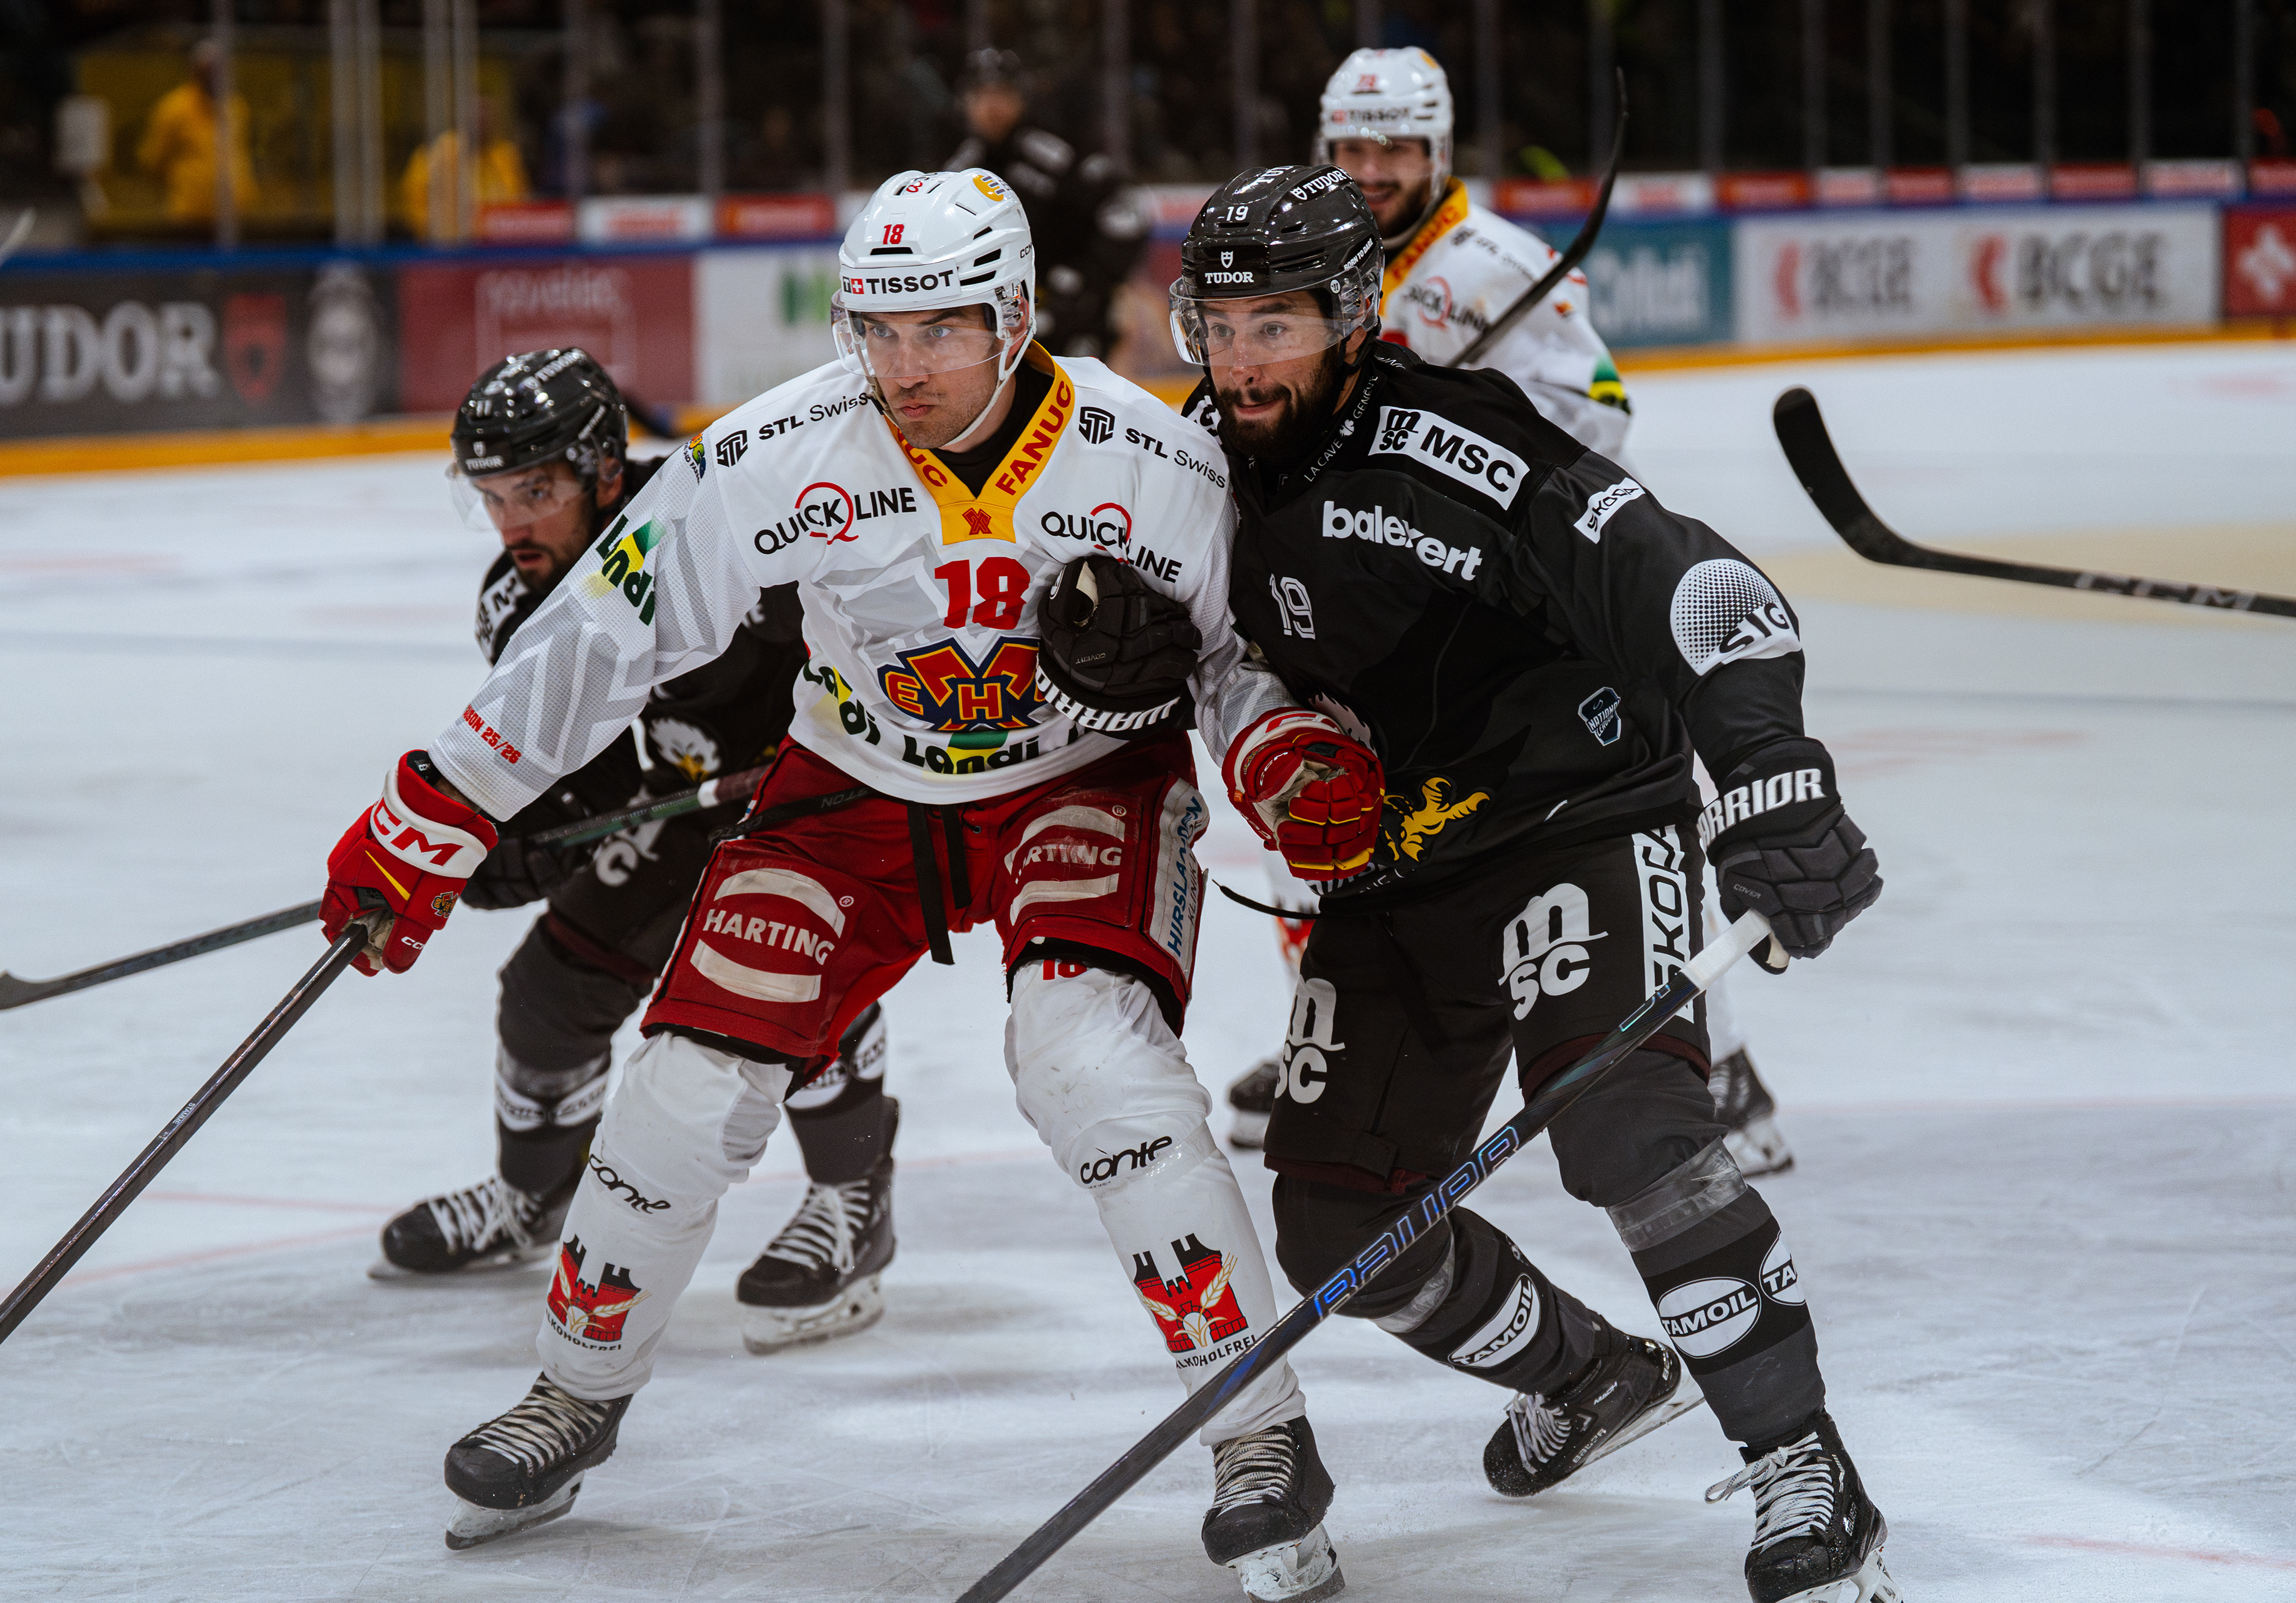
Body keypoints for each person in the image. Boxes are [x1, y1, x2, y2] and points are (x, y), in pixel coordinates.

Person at [311, 169, 1345, 1603]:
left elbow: (1236, 656)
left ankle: (1258, 1430)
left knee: (1091, 1060)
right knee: (684, 1084)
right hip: (854, 781)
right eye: (878, 331)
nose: (904, 368)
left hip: (1083, 777)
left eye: (940, 332)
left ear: (1014, 316)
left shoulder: (1147, 456)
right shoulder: (779, 446)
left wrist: (1282, 747)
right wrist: (435, 805)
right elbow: (607, 626)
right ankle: (573, 1390)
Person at [1171, 167, 1898, 1603]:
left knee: (1629, 1125)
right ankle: (1587, 1374)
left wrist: (1772, 770)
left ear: (1351, 316)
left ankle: (1805, 1465)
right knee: (1336, 1221)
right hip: (1395, 872)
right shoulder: (1187, 469)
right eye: (1222, 325)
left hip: (1578, 816)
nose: (1242, 360)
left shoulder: (1462, 440)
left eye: (1277, 325)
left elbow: (1702, 589)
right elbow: (1179, 644)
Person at [1222, 46, 1794, 1179]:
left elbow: (1601, 417)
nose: (1372, 168)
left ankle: (1720, 1066)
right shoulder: (1313, 264)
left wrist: (1453, 409)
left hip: (1511, 606)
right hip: (1375, 598)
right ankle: (1336, 1042)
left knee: (1584, 838)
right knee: (1322, 812)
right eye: (1353, 145)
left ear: (1438, 150)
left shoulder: (1492, 266)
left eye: (1395, 147)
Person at [374, 346, 903, 1362]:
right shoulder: (519, 603)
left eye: (536, 492)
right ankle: (533, 1198)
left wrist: (827, 750)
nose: (512, 525)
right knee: (548, 992)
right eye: (492, 497)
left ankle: (853, 1199)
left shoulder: (728, 523)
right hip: (695, 798)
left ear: (606, 473)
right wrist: (536, 830)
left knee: (790, 967)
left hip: (821, 794)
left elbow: (865, 636)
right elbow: (596, 752)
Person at [947, 48, 1149, 360]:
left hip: (1074, 320)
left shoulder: (1060, 156)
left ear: (1022, 98)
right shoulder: (957, 170)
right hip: (997, 322)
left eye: (1002, 93)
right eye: (980, 96)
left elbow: (1126, 220)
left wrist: (1083, 280)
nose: (991, 106)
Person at [135, 39, 256, 227]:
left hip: (234, 212)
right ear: (194, 71)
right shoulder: (174, 108)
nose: (214, 75)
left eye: (219, 69)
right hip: (190, 214)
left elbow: (241, 154)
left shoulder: (235, 106)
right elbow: (153, 160)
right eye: (208, 70)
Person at [398, 97, 531, 243]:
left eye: (488, 115)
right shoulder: (438, 154)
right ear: (461, 117)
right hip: (452, 248)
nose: (483, 121)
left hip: (501, 248)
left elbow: (520, 204)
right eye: (477, 114)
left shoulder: (505, 156)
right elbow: (417, 209)